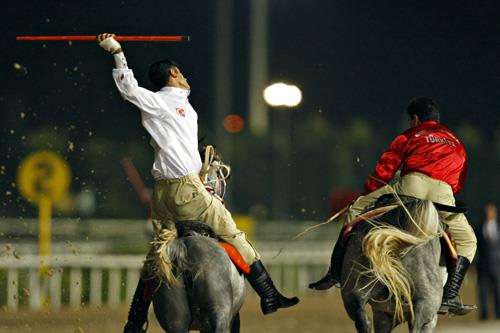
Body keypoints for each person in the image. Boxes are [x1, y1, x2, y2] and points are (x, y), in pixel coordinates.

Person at [96, 33, 298, 333]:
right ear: (174, 74)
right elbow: (129, 89)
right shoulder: (166, 102)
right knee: (234, 235)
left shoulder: (177, 105)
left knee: (158, 256)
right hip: (185, 191)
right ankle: (269, 295)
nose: (186, 78)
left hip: (162, 195)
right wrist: (117, 52)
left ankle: (135, 320)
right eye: (183, 73)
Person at [310, 97, 477, 315]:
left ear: (415, 119)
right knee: (469, 241)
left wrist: (368, 193)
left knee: (354, 210)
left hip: (411, 186)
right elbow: (460, 176)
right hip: (443, 193)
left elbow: (386, 167)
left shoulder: (410, 134)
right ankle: (450, 295)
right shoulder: (455, 141)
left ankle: (335, 272)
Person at [475, 203, 500, 320]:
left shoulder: (498, 227)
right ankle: (484, 314)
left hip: (497, 264)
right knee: (483, 290)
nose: (489, 213)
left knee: (498, 289)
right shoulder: (479, 228)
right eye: (487, 211)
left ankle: (498, 312)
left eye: (491, 211)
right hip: (483, 264)